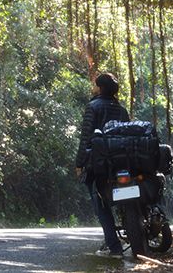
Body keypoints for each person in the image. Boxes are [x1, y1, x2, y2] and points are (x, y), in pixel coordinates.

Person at [75, 72, 130, 258]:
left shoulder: (93, 106)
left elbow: (86, 138)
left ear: (100, 88)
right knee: (123, 201)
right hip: (122, 163)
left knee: (101, 205)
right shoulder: (122, 109)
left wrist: (79, 162)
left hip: (98, 164)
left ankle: (114, 248)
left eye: (95, 85)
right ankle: (120, 239)